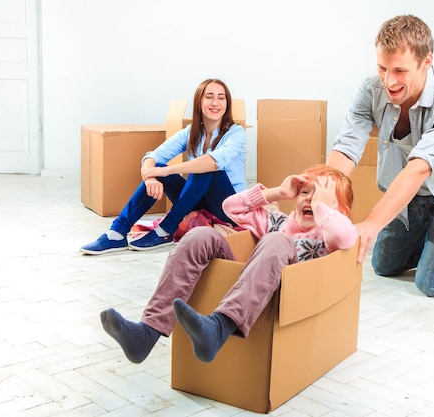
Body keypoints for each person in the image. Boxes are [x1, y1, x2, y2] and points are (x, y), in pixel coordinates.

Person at [100, 164, 358, 363]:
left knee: (277, 241)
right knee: (200, 235)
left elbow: (346, 236)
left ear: (340, 211)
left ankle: (219, 327)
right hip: (249, 287)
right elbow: (229, 208)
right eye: (305, 192)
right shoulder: (278, 222)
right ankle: (147, 333)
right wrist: (277, 192)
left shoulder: (329, 236)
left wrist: (324, 209)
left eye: (321, 196)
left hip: (280, 299)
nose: (311, 200)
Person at [326, 15, 434, 297]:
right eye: (382, 67)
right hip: (408, 194)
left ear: (426, 61)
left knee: (433, 282)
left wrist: (372, 223)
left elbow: (420, 167)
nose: (389, 80)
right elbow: (348, 144)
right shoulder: (370, 89)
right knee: (384, 266)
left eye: (400, 70)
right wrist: (323, 192)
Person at [81, 78, 246, 255]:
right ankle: (117, 233)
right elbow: (152, 156)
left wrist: (166, 170)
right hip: (200, 203)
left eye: (221, 98)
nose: (215, 102)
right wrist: (152, 176)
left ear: (226, 104)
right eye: (209, 97)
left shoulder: (236, 134)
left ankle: (165, 230)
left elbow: (212, 162)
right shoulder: (192, 132)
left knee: (204, 169)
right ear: (199, 102)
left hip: (231, 209)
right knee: (161, 167)